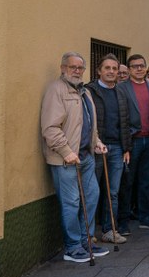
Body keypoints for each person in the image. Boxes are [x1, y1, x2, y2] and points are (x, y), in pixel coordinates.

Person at [42, 52, 110, 262]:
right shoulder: (56, 90)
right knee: (71, 202)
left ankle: (86, 240)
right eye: (73, 67)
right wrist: (66, 152)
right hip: (65, 159)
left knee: (92, 196)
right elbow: (50, 128)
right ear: (63, 68)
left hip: (86, 156)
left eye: (80, 68)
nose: (77, 71)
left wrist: (96, 141)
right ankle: (72, 247)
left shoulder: (84, 92)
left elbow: (88, 123)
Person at [85, 54, 131, 245]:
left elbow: (125, 121)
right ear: (99, 71)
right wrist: (94, 142)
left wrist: (126, 148)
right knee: (92, 191)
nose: (112, 72)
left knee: (112, 192)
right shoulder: (89, 91)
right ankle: (88, 233)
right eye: (108, 68)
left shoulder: (120, 92)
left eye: (114, 69)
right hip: (96, 148)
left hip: (117, 149)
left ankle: (109, 229)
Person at [117, 54, 149, 232]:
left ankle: (145, 217)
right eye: (135, 66)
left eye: (141, 65)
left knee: (146, 181)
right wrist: (125, 144)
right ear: (128, 69)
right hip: (132, 140)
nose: (139, 69)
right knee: (127, 182)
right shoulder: (121, 89)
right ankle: (123, 221)